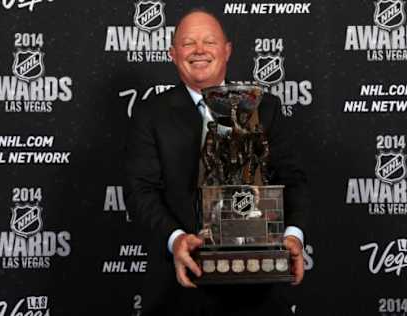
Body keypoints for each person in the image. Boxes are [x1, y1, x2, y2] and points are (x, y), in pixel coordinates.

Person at [125, 8, 310, 316]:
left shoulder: (264, 108)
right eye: (188, 43)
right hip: (183, 282)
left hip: (259, 282)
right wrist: (177, 239)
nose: (199, 50)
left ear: (227, 50)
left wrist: (292, 235)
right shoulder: (150, 114)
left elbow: (294, 179)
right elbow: (140, 190)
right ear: (172, 53)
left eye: (209, 41)